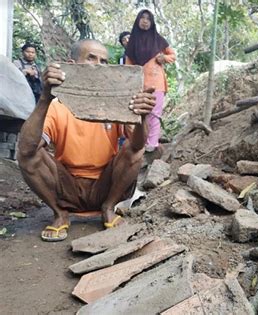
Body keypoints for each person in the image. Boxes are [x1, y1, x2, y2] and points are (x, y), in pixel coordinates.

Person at [17, 39, 156, 242]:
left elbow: (136, 145)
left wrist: (143, 116)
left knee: (136, 151)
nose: (99, 65)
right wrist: (45, 98)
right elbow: (27, 148)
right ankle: (60, 213)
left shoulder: (115, 104)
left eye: (104, 61)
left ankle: (109, 207)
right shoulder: (57, 106)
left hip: (106, 186)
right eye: (91, 58)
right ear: (71, 64)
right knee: (27, 156)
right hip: (66, 188)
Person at [125, 9, 176, 154]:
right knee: (141, 114)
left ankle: (152, 144)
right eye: (142, 18)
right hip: (139, 83)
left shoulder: (158, 39)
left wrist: (164, 58)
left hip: (157, 82)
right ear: (137, 20)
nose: (145, 21)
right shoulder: (132, 42)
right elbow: (129, 66)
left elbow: (172, 55)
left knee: (155, 113)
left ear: (152, 22)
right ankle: (140, 143)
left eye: (148, 19)